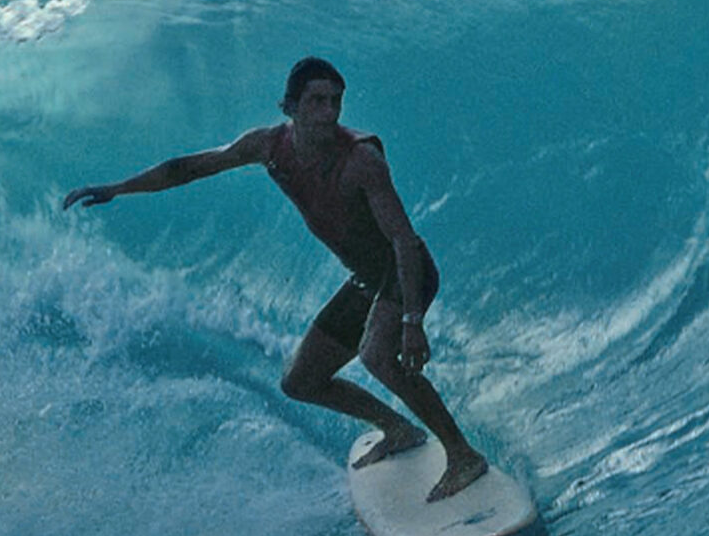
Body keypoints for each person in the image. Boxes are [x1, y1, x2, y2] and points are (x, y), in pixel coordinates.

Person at [64, 57, 488, 502]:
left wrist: (412, 322)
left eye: (336, 101)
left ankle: (463, 455)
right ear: (290, 106)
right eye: (317, 101)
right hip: (366, 280)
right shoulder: (268, 146)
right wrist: (118, 188)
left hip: (405, 271)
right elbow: (191, 167)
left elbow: (403, 240)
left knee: (377, 355)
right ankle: (397, 428)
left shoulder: (361, 160)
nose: (329, 112)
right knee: (301, 381)